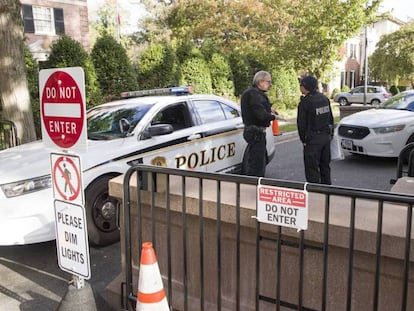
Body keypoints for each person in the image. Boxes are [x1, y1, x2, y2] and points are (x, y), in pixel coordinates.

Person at [297, 75, 334, 184]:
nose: (300, 87)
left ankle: (315, 194)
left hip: (313, 140)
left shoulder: (305, 102)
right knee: (325, 166)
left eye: (301, 85)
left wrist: (304, 140)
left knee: (312, 169)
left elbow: (301, 124)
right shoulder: (324, 98)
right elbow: (330, 118)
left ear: (306, 87)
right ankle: (327, 190)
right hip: (325, 137)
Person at [241, 70, 278, 177]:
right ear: (260, 82)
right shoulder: (255, 95)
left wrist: (270, 111)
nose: (270, 85)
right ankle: (255, 187)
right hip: (256, 132)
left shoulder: (251, 93)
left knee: (256, 161)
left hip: (253, 131)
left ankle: (255, 184)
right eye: (268, 82)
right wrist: (274, 116)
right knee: (257, 165)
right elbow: (260, 114)